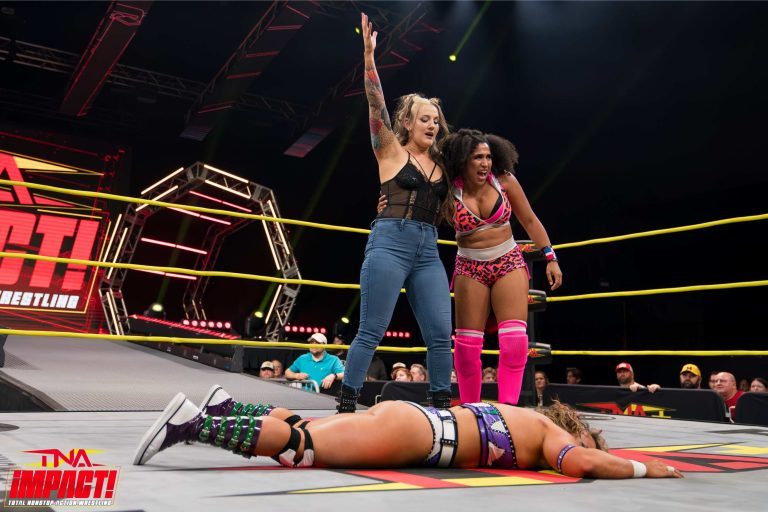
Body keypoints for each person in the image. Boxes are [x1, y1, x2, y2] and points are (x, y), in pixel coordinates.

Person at [134, 385, 683, 480]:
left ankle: (227, 407)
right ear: (576, 431)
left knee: (306, 428)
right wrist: (647, 468)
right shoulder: (546, 433)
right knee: (308, 448)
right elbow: (583, 463)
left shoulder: (523, 416)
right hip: (420, 437)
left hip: (416, 423)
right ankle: (192, 425)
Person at [338, 13, 454, 412]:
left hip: (428, 248)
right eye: (425, 119)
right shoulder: (390, 149)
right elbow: (375, 102)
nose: (432, 125)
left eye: (436, 120)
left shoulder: (444, 163)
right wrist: (369, 58)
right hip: (390, 241)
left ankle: (442, 406)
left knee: (440, 333)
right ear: (407, 121)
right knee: (371, 329)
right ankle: (347, 403)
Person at [441, 128, 564, 406]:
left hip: (508, 261)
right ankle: (471, 409)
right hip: (469, 267)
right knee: (466, 349)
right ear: (463, 159)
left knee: (515, 342)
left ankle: (508, 409)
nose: (485, 163)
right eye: (477, 157)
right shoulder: (449, 188)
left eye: (488, 157)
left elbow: (529, 219)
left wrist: (550, 257)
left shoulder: (504, 180)